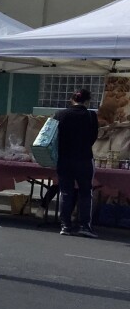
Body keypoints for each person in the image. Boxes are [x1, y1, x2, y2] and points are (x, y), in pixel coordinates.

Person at [55, 89, 100, 238]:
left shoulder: (60, 115)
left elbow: (53, 137)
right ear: (87, 101)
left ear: (71, 99)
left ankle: (65, 225)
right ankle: (84, 226)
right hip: (84, 158)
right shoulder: (91, 116)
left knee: (66, 192)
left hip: (64, 159)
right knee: (85, 192)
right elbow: (93, 137)